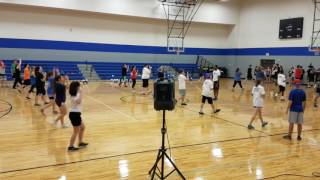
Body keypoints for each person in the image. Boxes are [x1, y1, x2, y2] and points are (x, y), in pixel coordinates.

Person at [68, 81, 88, 151]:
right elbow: (78, 101)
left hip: (76, 114)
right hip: (74, 114)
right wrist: (81, 93)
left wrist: (81, 91)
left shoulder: (76, 93)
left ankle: (80, 142)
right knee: (76, 131)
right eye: (78, 86)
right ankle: (70, 146)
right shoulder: (74, 95)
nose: (80, 87)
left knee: (82, 127)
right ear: (76, 87)